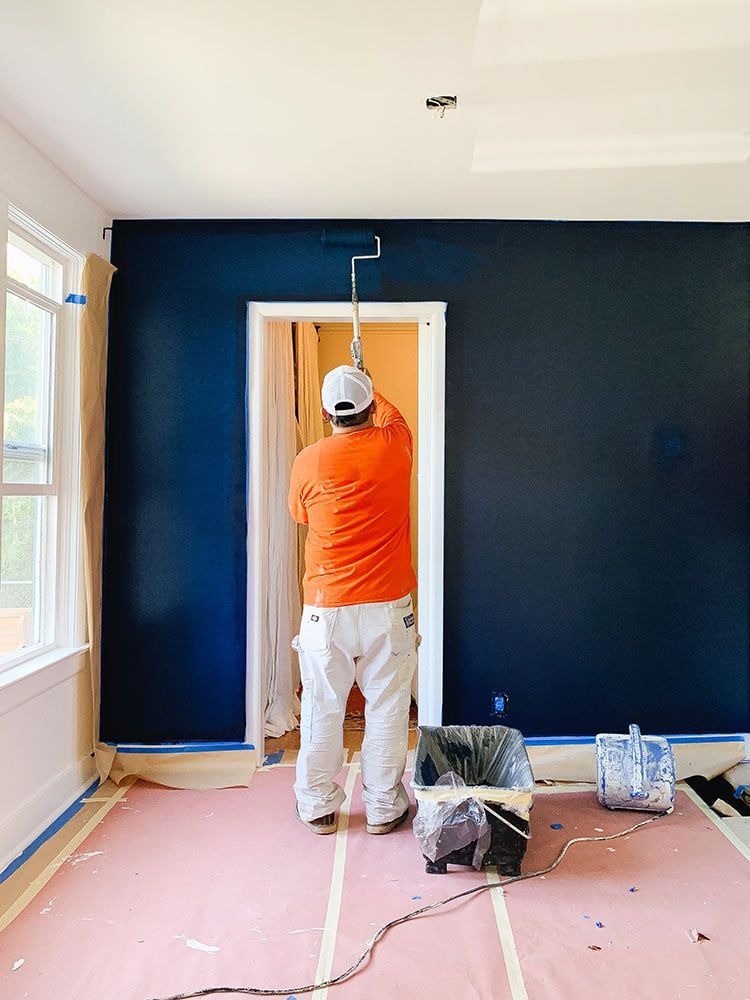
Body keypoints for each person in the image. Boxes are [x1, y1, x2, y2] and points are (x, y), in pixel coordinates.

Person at [288, 365, 417, 835]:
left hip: (327, 607)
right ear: (369, 406)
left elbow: (301, 515)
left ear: (325, 413)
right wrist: (368, 380)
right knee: (387, 706)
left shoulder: (308, 461)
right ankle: (382, 808)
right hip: (388, 607)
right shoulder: (395, 445)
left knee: (323, 706)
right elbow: (392, 415)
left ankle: (318, 806)